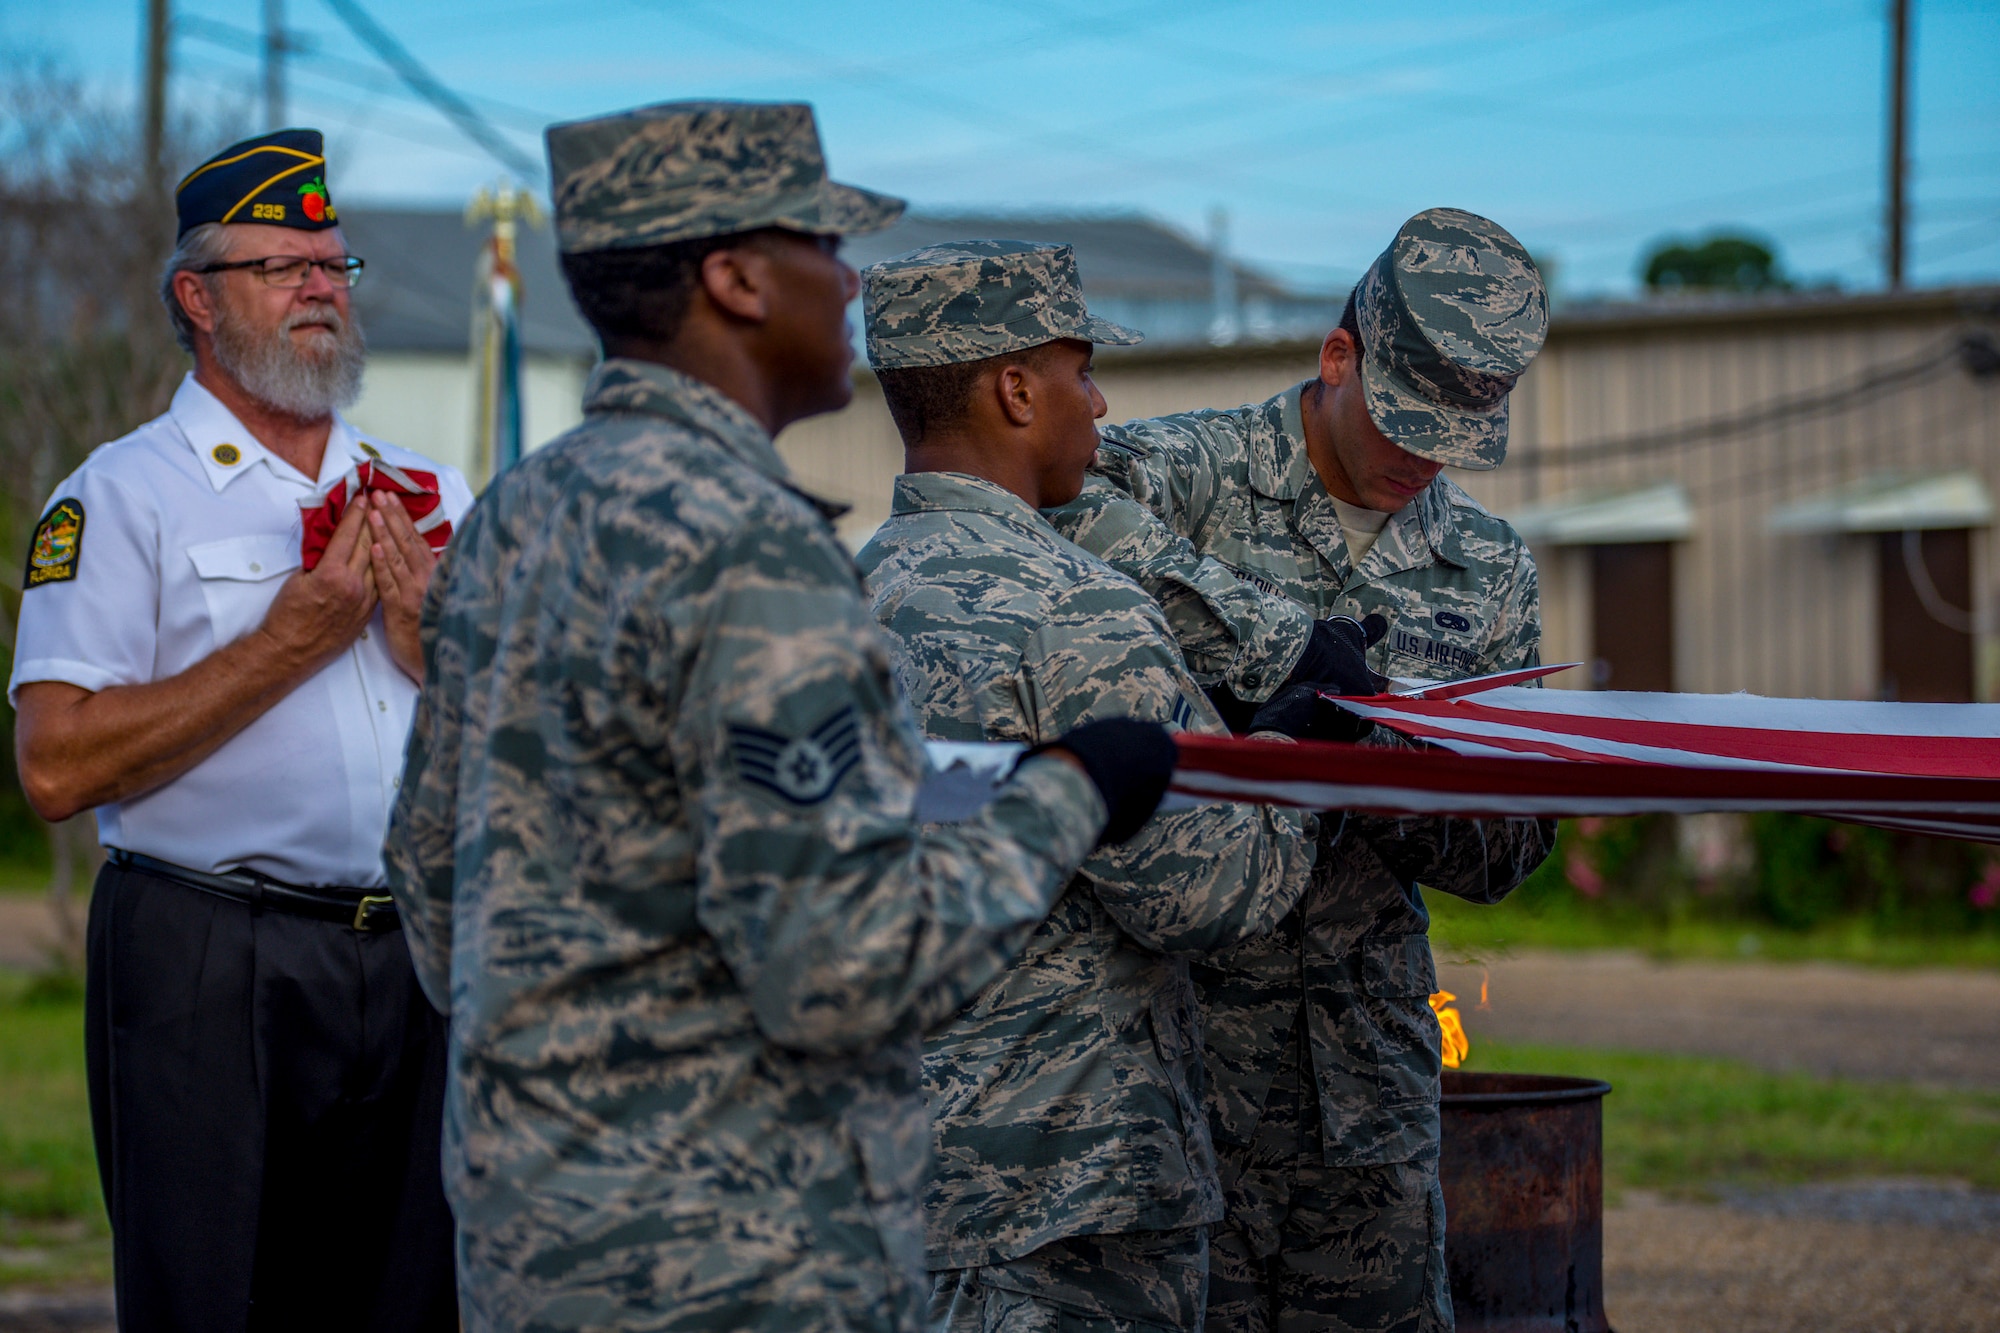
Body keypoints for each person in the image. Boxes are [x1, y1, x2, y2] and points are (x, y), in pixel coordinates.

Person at [382, 101, 1179, 1333]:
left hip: (534, 1248)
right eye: (822, 244)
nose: (848, 281)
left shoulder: (513, 519)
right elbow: (846, 967)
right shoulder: (750, 550)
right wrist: (1072, 789)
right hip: (737, 1267)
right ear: (736, 279)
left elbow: (435, 894)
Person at [1049, 208, 1561, 1333]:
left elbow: (1512, 845)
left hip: (1365, 1094)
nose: (1416, 460)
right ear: (1338, 357)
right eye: (1401, 420)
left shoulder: (1484, 566)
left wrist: (1379, 768)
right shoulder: (1185, 475)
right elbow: (1054, 512)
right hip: (1174, 1078)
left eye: (1448, 439)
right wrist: (1268, 645)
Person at [9, 129, 470, 1331]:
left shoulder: (432, 491)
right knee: (215, 1302)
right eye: (283, 266)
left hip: (418, 953)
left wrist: (432, 644)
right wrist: (293, 638)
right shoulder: (117, 496)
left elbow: (520, 734)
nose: (322, 285)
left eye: (334, 263)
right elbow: (56, 765)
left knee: (418, 1301)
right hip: (212, 956)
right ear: (197, 299)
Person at [854, 239, 1320, 1333]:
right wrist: (1294, 765)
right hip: (1062, 1205)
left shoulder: (838, 594)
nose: (1099, 403)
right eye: (1080, 370)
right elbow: (1206, 891)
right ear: (1016, 388)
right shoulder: (1077, 609)